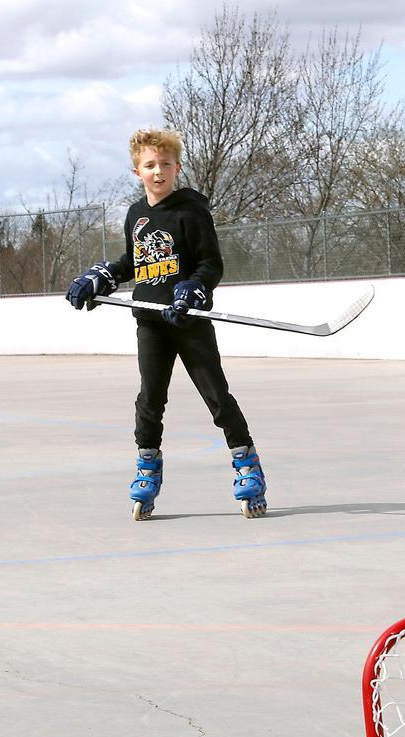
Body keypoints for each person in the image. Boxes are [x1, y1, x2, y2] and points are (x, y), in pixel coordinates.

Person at [65, 128, 268, 521]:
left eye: (166, 164)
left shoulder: (191, 211)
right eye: (149, 165)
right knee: (149, 401)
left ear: (177, 167)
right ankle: (147, 467)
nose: (158, 171)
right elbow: (133, 261)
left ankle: (246, 464)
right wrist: (104, 275)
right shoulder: (135, 215)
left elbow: (212, 264)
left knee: (217, 396)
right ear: (137, 170)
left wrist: (193, 288)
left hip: (188, 321)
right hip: (150, 323)